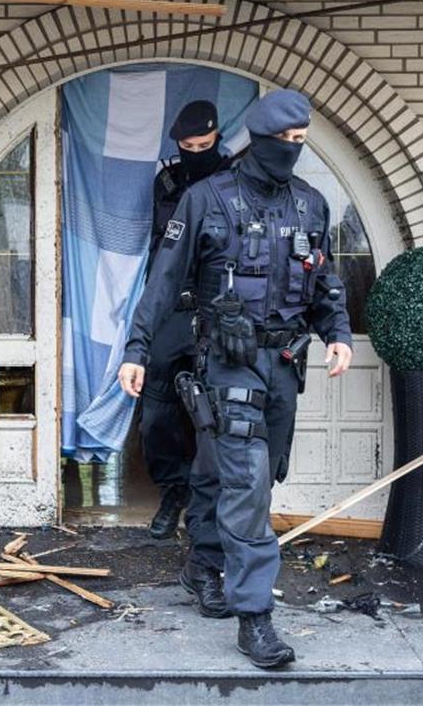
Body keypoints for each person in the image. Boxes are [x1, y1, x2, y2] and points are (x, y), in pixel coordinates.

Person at [119, 89, 354, 668]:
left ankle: (202, 566)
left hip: (283, 368)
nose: (295, 151)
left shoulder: (310, 205)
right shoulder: (205, 199)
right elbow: (163, 279)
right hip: (226, 365)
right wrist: (138, 349)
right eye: (289, 142)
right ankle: (256, 619)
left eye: (303, 142)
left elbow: (323, 282)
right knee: (247, 490)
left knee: (238, 473)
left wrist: (340, 332)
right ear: (264, 138)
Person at [141, 100, 234, 539]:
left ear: (218, 137)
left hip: (218, 313)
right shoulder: (168, 182)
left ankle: (207, 503)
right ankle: (172, 491)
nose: (196, 151)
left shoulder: (236, 180)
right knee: (158, 410)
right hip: (173, 311)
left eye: (205, 144)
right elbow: (162, 248)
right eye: (188, 145)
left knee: (214, 410)